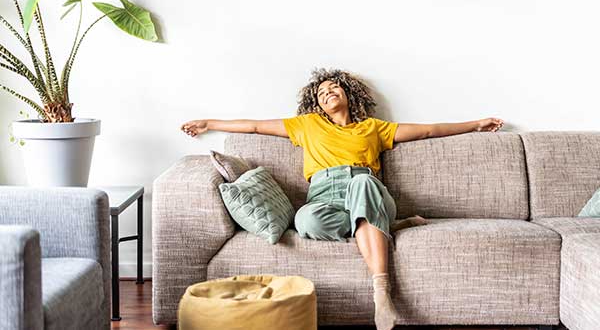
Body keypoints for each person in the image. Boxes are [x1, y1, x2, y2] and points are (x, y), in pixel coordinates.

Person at [181, 67, 504, 330]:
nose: (328, 93)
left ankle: (381, 291)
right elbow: (252, 126)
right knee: (305, 220)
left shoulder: (372, 129)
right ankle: (390, 224)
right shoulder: (307, 126)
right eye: (321, 93)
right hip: (324, 195)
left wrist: (475, 124)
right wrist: (208, 122)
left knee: (362, 183)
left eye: (334, 88)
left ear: (348, 94)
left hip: (364, 185)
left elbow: (428, 130)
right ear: (317, 104)